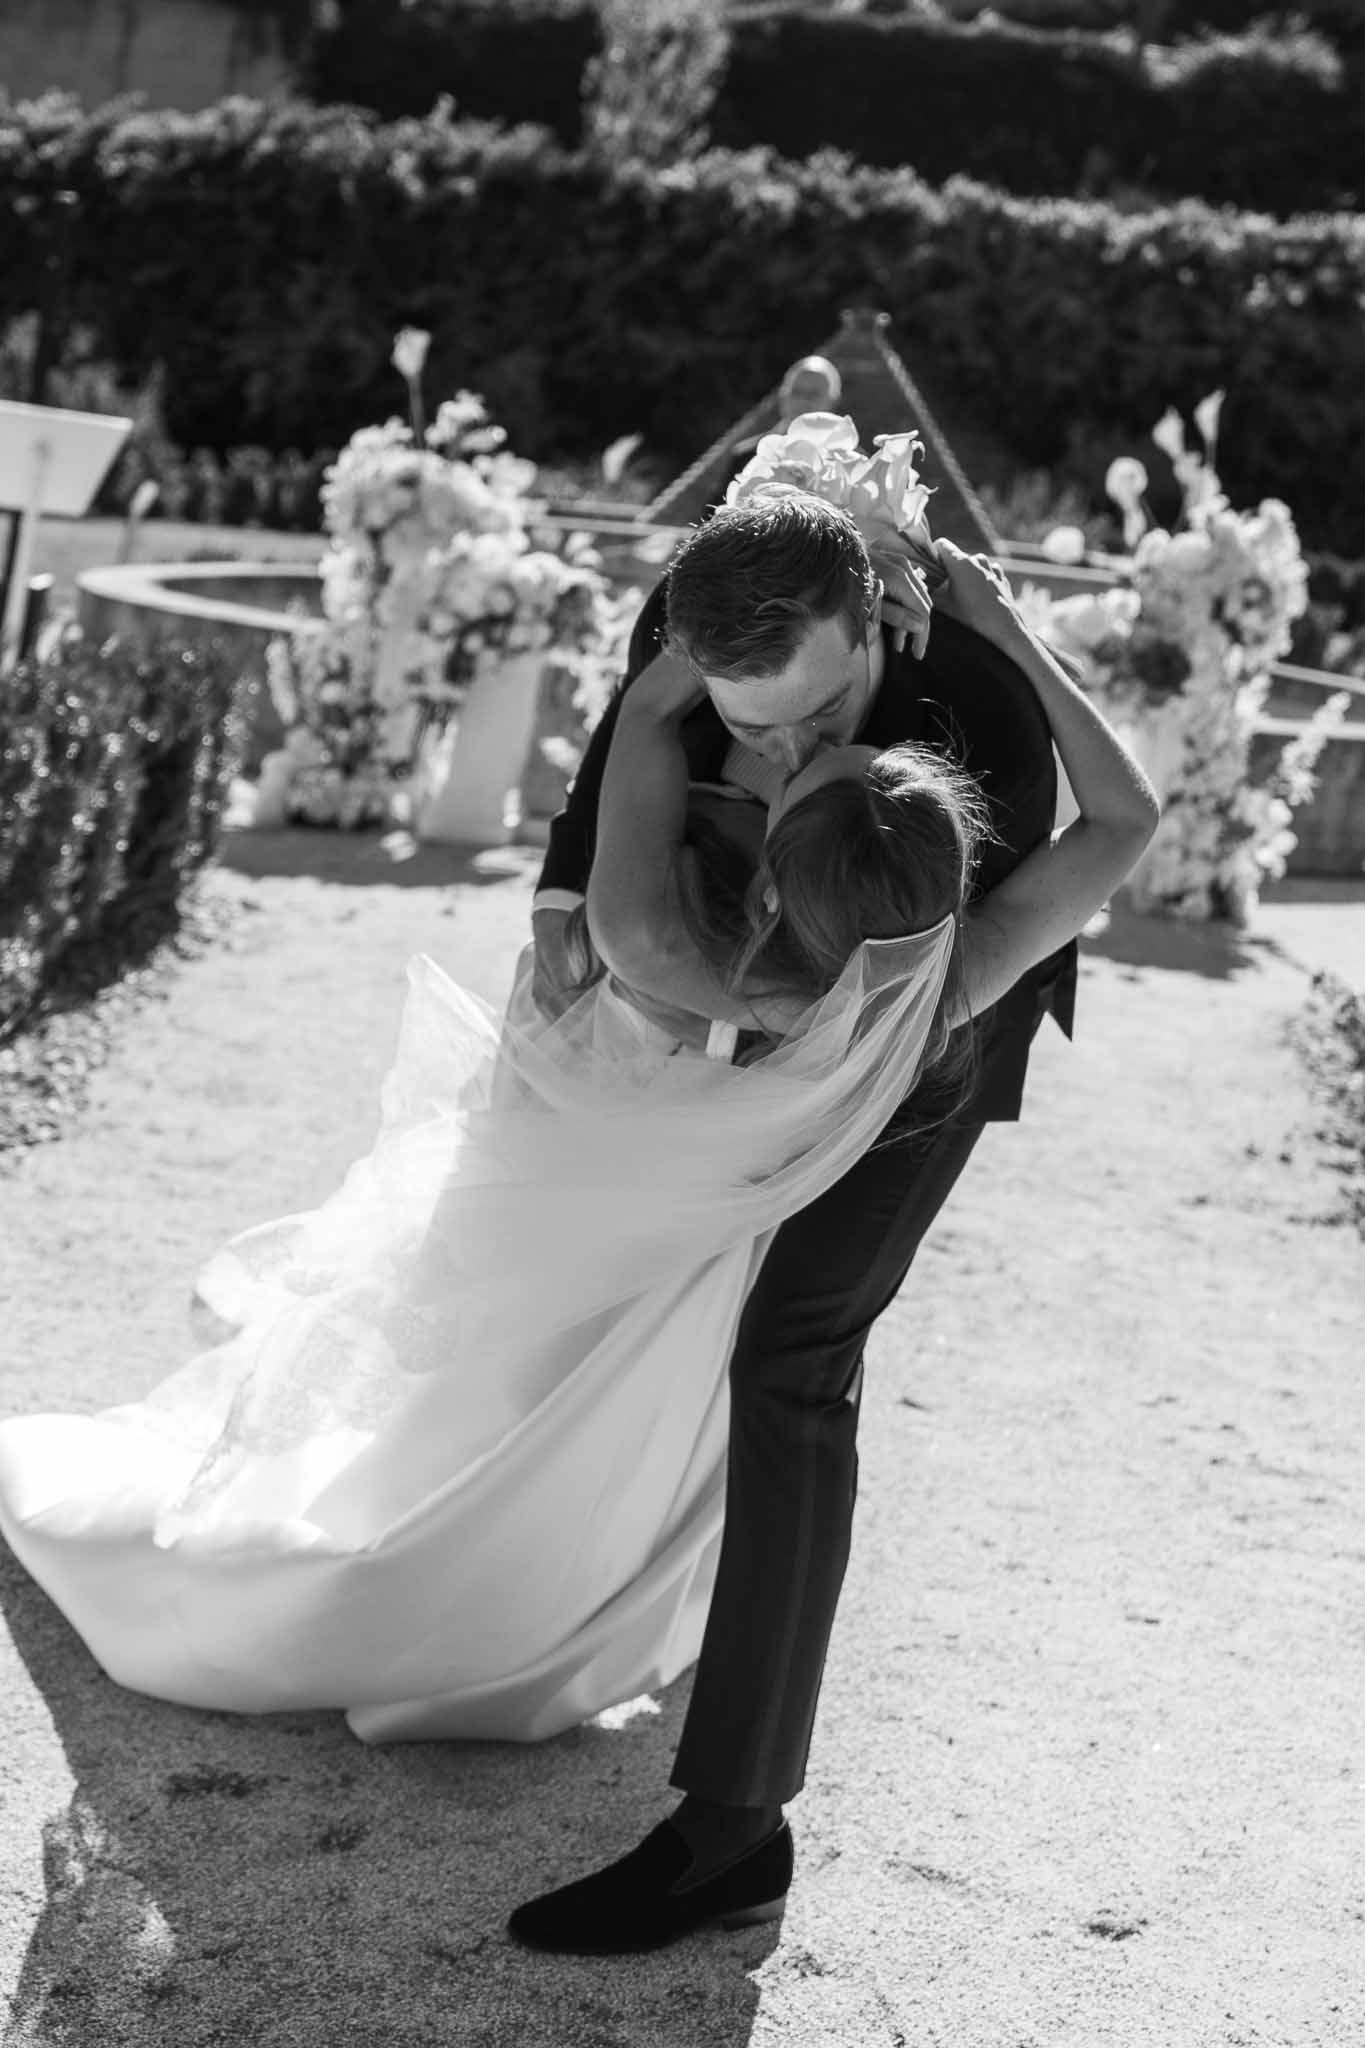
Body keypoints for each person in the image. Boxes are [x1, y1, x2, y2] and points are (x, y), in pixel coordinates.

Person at [509, 496, 1155, 1953]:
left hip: (926, 1043)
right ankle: (612, 1605)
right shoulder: (689, 646)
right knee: (661, 1311)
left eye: (806, 725)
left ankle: (732, 1829)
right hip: (759, 983)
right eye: (745, 720)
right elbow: (619, 784)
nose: (777, 751)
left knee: (792, 1360)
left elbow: (658, 896)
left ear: (873, 627)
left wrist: (1001, 637)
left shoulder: (976, 705)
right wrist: (575, 873)